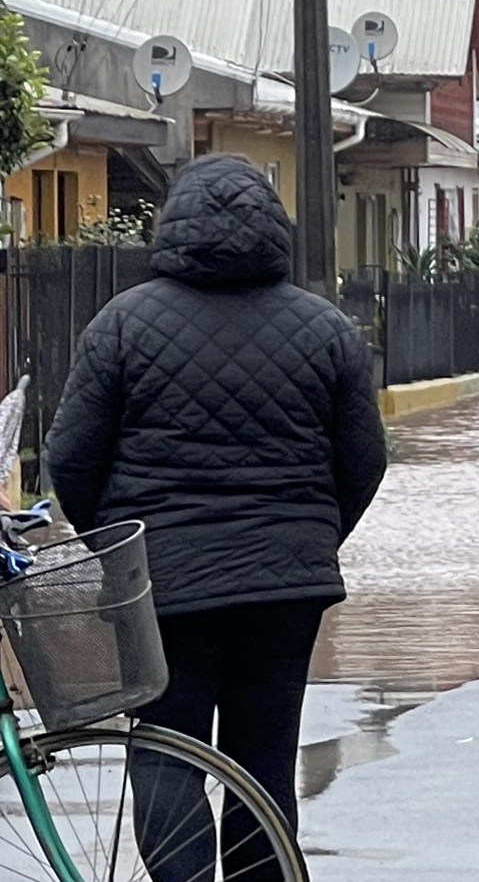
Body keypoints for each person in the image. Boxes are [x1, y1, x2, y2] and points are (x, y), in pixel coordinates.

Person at [45, 154, 387, 876]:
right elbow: (364, 462)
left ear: (174, 224)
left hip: (161, 590)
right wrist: (310, 539)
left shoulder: (121, 325)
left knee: (166, 756)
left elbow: (72, 461)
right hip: (285, 593)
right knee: (262, 764)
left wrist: (119, 551)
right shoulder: (326, 330)